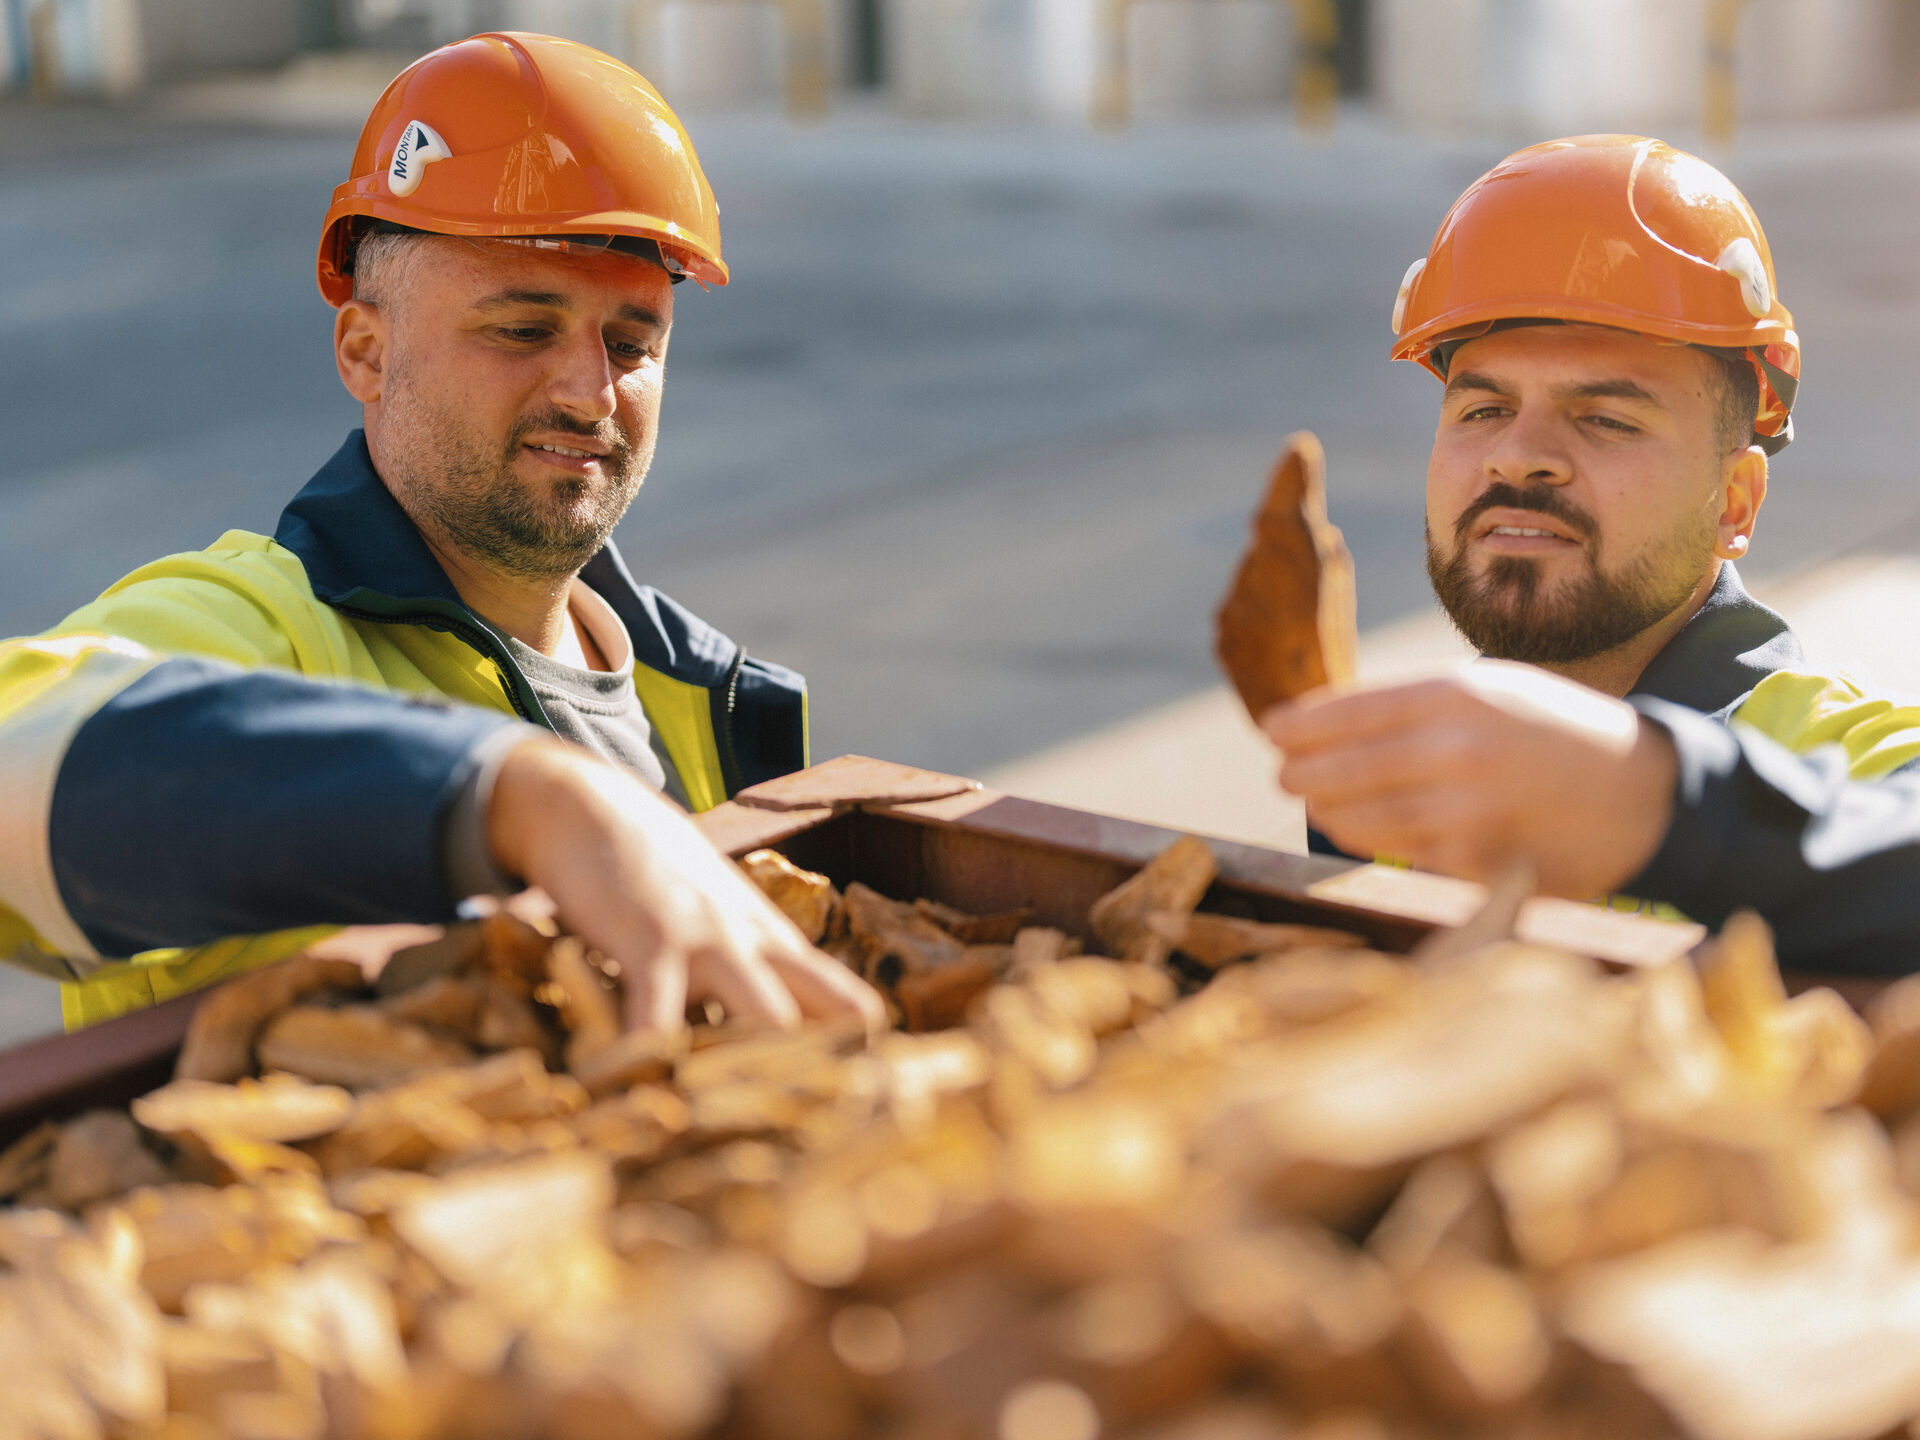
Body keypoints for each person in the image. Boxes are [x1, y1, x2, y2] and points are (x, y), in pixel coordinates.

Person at [0, 32, 882, 1034]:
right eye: (522, 328)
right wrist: (505, 793)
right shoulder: (263, 635)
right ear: (366, 352)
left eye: (631, 343)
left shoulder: (701, 695)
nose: (592, 391)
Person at [1265, 134, 1920, 969]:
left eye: (1607, 418)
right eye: (1482, 410)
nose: (1518, 454)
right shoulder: (1415, 782)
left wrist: (1657, 799)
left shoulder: (1857, 758)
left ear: (1735, 503)